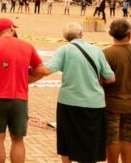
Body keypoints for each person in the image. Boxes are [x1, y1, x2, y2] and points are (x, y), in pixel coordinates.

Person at [32, 22, 115, 163]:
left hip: (68, 102)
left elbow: (46, 70)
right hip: (94, 103)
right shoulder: (96, 50)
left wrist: (27, 69)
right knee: (90, 140)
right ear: (82, 33)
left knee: (66, 140)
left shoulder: (64, 50)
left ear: (65, 37)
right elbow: (111, 78)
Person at [0, 18, 43, 163]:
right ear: (12, 29)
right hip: (20, 98)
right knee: (18, 140)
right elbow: (39, 70)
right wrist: (25, 81)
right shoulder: (27, 46)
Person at [103, 19, 131, 163]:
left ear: (110, 33)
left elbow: (100, 80)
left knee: (112, 138)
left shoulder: (106, 54)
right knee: (127, 137)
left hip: (112, 104)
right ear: (129, 35)